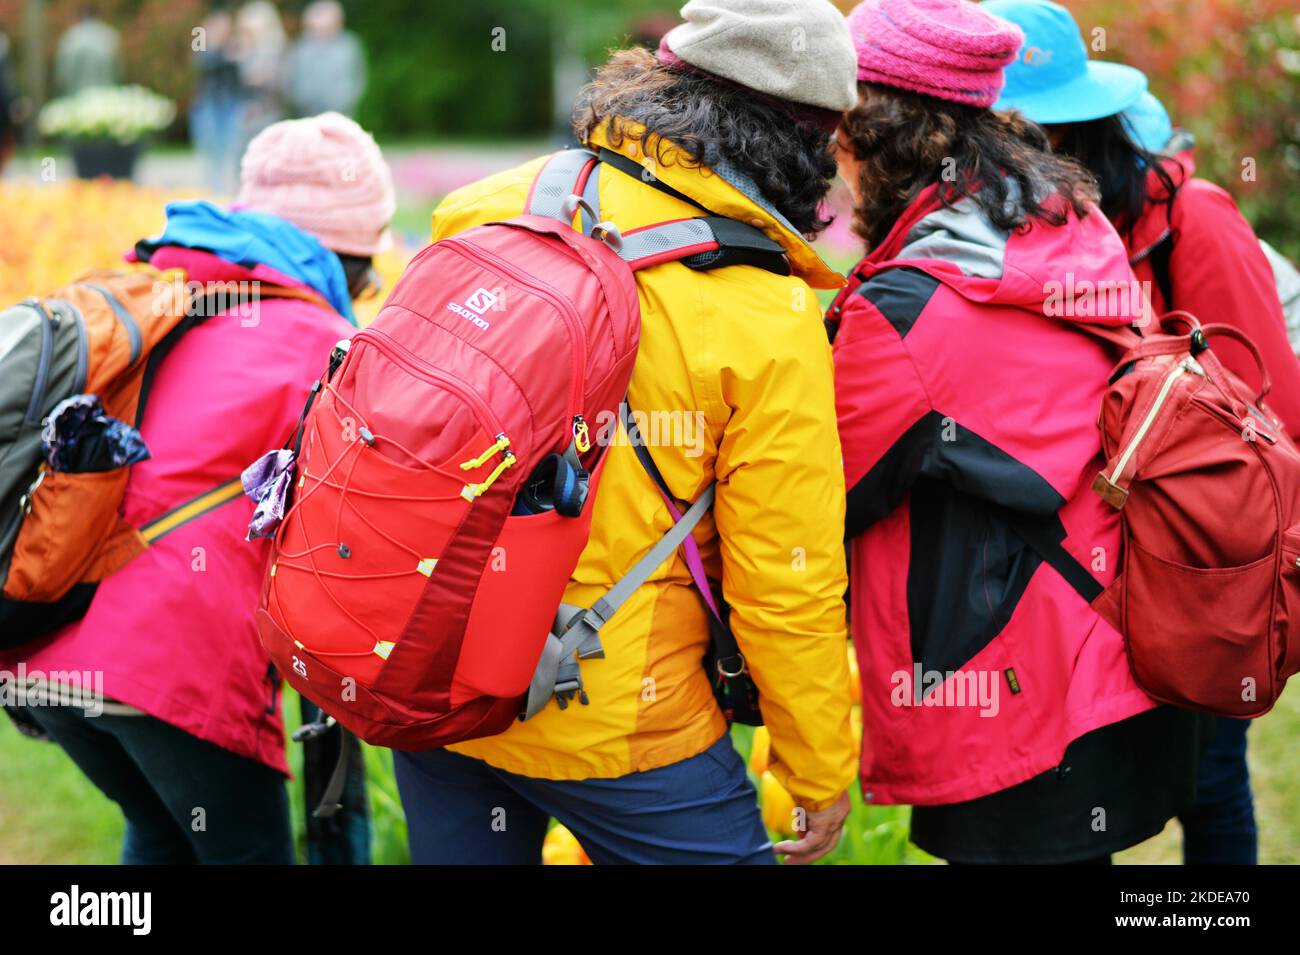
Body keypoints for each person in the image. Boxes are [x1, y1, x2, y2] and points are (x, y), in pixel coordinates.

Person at [393, 0, 859, 865]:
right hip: (614, 719)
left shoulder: (486, 206)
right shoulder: (767, 311)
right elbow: (784, 585)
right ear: (805, 138)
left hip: (437, 668)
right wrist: (816, 768)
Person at [830, 0, 1205, 864]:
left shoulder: (909, 309)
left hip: (1011, 704)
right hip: (1120, 657)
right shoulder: (1069, 228)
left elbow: (811, 497)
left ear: (873, 130)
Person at [4, 113, 395, 864]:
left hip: (53, 649)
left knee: (160, 834)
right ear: (342, 254)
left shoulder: (168, 297)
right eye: (368, 269)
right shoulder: (322, 345)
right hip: (171, 667)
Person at [986, 0, 1300, 865]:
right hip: (1089, 571)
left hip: (1192, 556)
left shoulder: (1191, 220)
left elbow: (1268, 417)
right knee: (1098, 786)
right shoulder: (1032, 236)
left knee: (1209, 778)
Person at [190, 4, 244, 196]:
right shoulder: (201, 42)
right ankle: (211, 186)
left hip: (229, 102)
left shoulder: (236, 44)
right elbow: (200, 62)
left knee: (229, 146)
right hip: (208, 103)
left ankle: (224, 186)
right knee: (209, 146)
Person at [285, 1, 367, 119]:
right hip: (307, 112)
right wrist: (301, 100)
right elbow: (294, 79)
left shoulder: (349, 45)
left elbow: (358, 77)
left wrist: (344, 100)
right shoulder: (302, 47)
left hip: (341, 111)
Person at [53, 4, 121, 95]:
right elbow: (118, 70)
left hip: (76, 95)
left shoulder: (70, 37)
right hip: (105, 96)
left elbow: (62, 74)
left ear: (80, 16)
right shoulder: (110, 35)